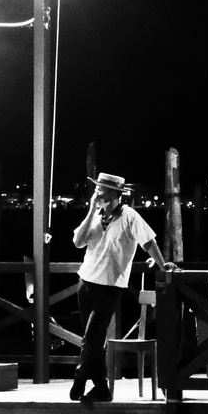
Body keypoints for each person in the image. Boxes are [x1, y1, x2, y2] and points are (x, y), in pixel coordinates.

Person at [70, 172, 175, 402]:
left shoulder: (129, 216)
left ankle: (80, 376)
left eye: (102, 189)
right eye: (97, 188)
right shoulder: (95, 216)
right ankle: (102, 389)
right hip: (85, 282)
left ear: (115, 194)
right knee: (93, 341)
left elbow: (148, 242)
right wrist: (90, 211)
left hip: (108, 287)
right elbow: (78, 241)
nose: (97, 192)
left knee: (91, 337)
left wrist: (161, 264)